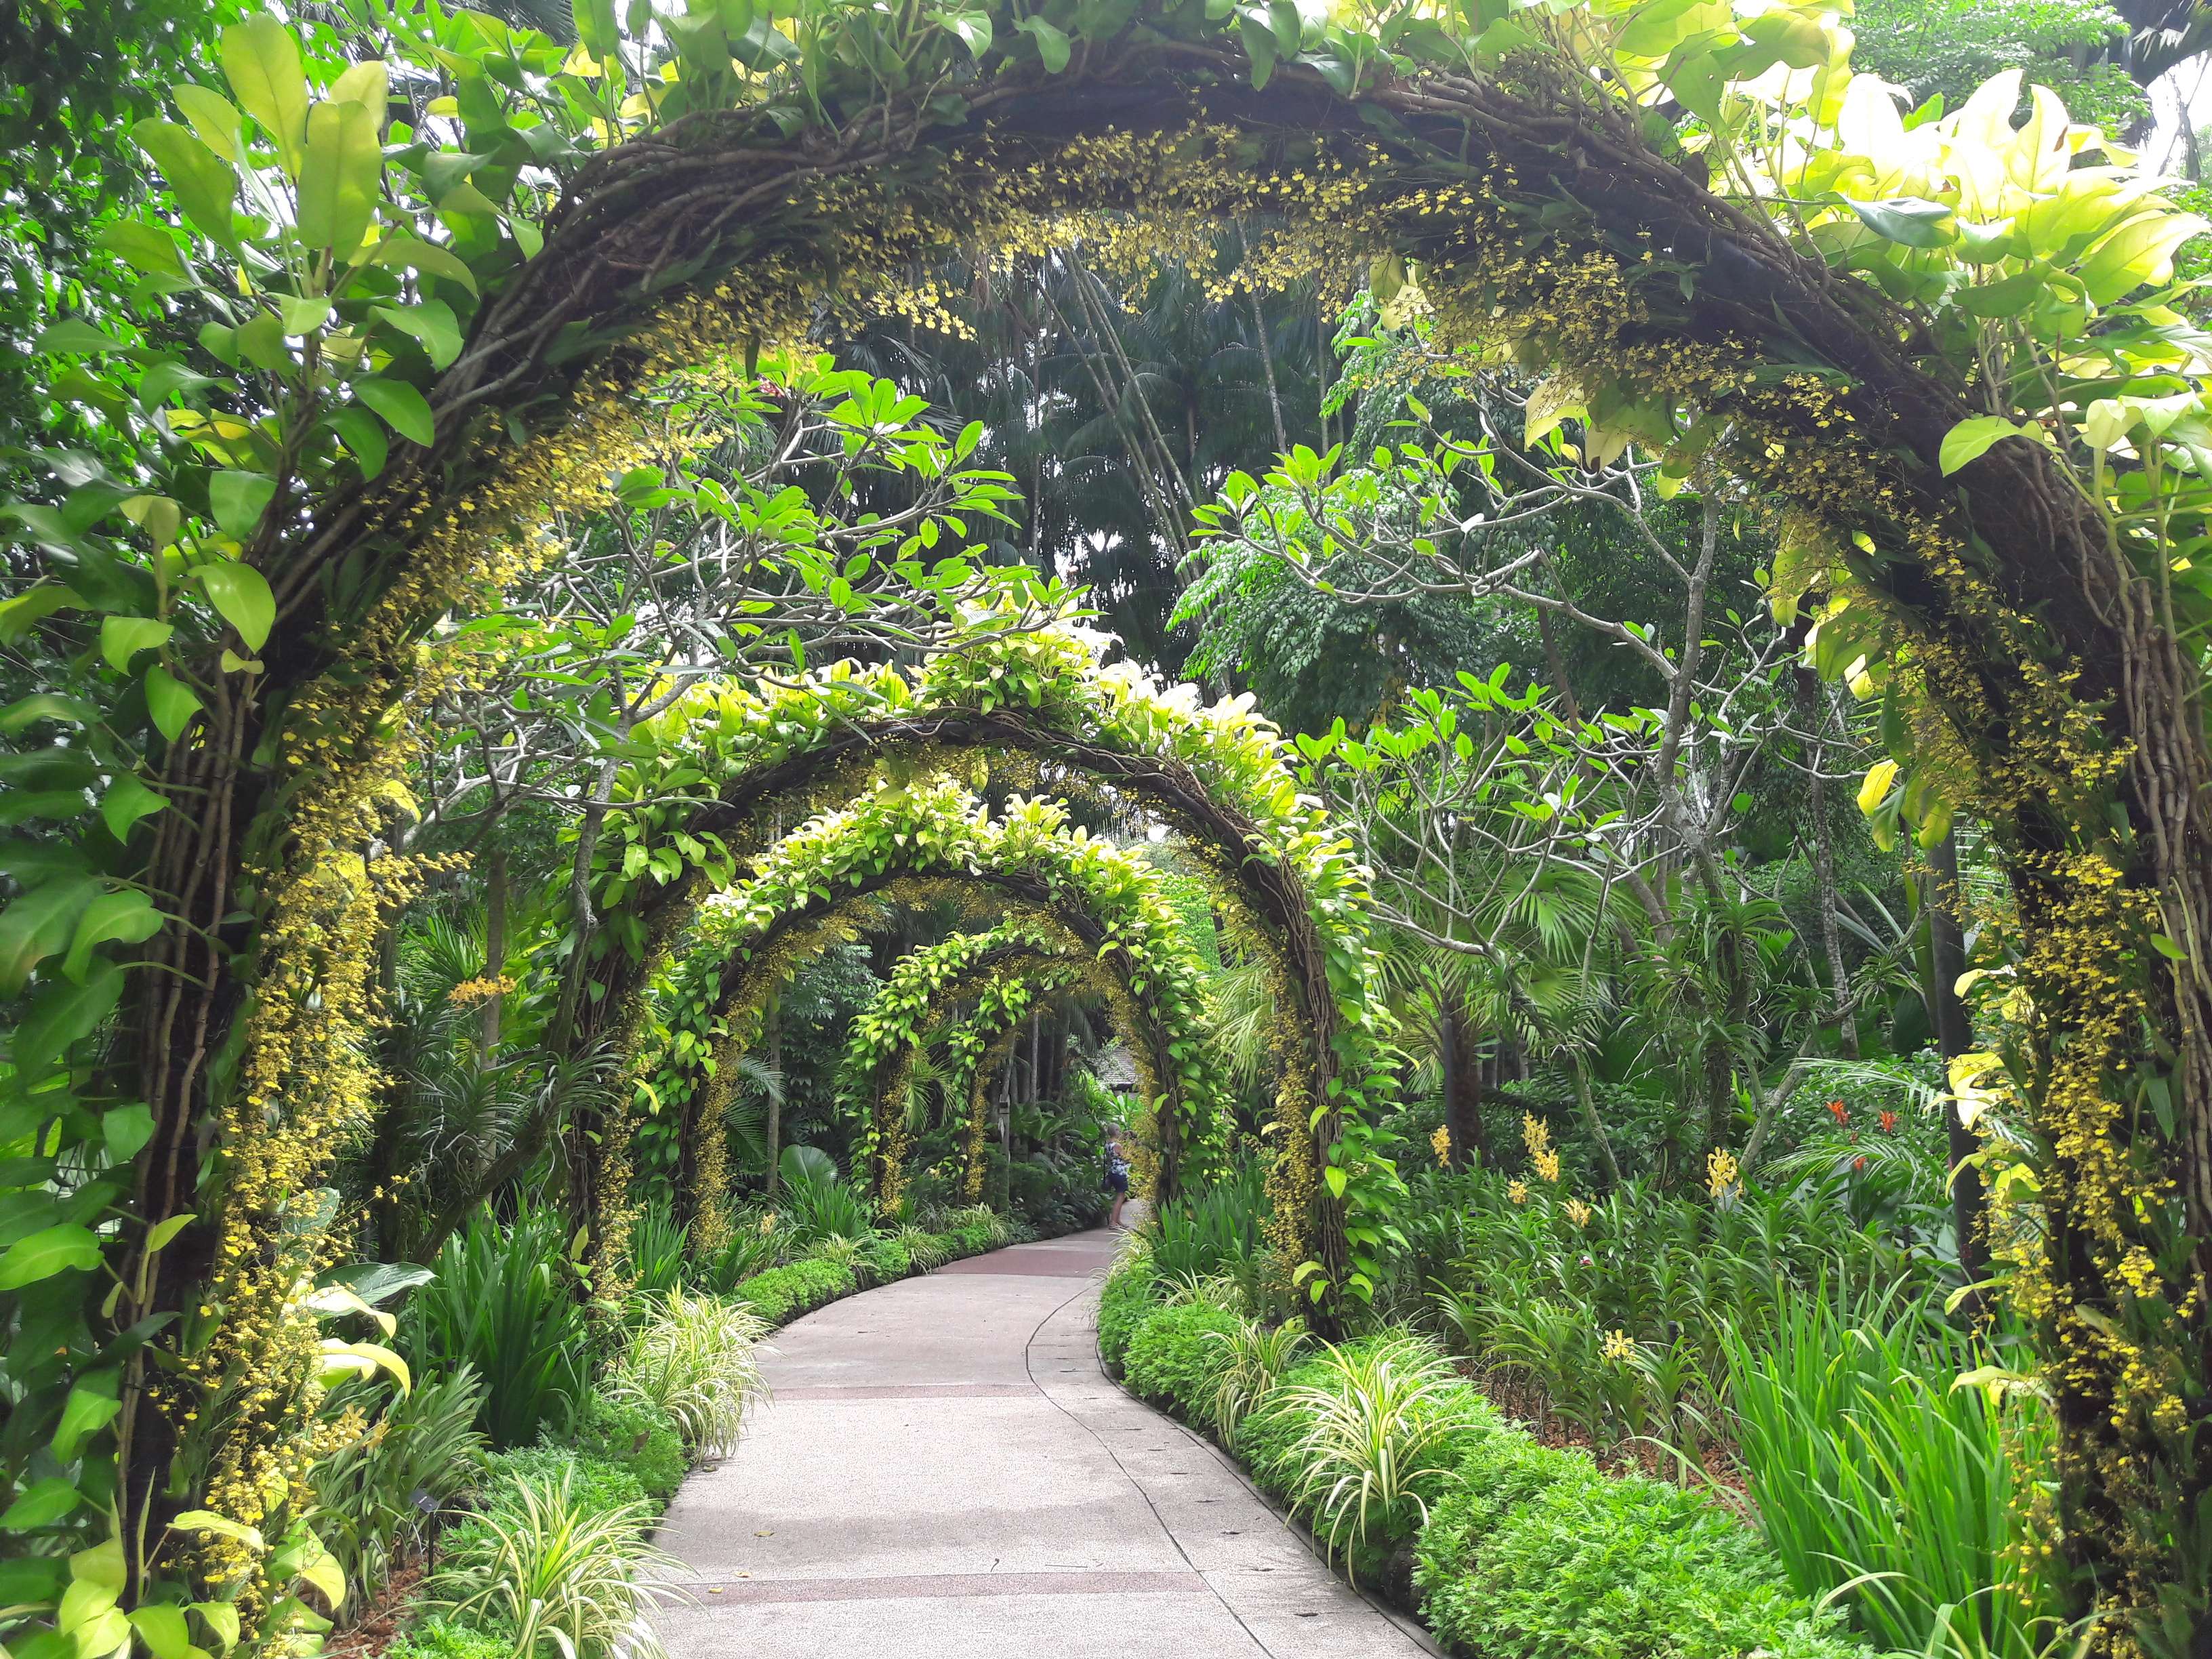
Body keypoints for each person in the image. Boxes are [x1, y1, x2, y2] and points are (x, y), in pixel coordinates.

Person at [1103, 1127, 1131, 1229]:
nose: (1120, 1132)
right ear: (1115, 1132)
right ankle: (1113, 1222)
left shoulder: (1107, 1145)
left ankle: (1117, 1220)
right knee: (1120, 1197)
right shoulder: (1118, 1146)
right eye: (1118, 1130)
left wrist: (1124, 1138)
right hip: (1120, 1173)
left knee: (1119, 1196)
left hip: (1112, 1172)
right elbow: (1127, 1159)